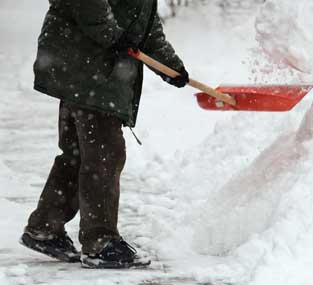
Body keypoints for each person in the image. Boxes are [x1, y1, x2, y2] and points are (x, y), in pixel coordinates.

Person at [20, 0, 189, 269]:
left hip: (90, 68)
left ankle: (45, 227)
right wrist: (113, 35)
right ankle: (100, 241)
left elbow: (146, 26)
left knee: (77, 154)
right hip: (89, 68)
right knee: (104, 155)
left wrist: (170, 66)